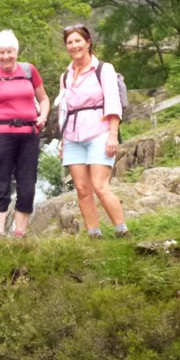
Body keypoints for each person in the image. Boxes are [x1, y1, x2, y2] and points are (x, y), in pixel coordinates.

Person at [56, 24, 129, 239]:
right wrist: (61, 141)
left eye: (78, 41)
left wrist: (113, 134)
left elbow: (113, 103)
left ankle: (122, 230)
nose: (74, 45)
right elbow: (63, 109)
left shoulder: (103, 69)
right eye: (70, 42)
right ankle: (94, 234)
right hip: (72, 136)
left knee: (99, 185)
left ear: (88, 43)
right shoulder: (65, 76)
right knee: (81, 187)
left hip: (99, 131)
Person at [0, 30, 50, 238]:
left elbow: (43, 98)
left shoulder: (28, 71)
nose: (6, 56)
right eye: (1, 52)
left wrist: (42, 117)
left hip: (28, 134)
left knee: (27, 186)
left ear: (16, 52)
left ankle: (20, 233)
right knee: (1, 184)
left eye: (9, 52)